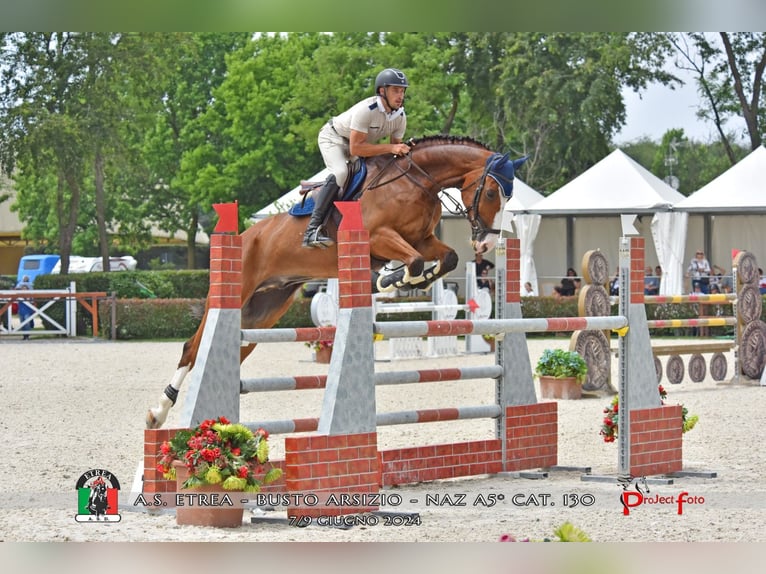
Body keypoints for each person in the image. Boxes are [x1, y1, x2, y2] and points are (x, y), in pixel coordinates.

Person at [303, 68, 411, 248]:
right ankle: (311, 231)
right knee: (341, 172)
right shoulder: (366, 110)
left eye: (402, 91)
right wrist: (392, 147)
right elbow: (356, 148)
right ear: (382, 91)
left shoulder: (400, 117)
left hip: (357, 144)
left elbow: (394, 153)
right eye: (395, 90)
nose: (400, 95)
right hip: (334, 138)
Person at [15, 276, 34, 340]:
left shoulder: (30, 293)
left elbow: (32, 301)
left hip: (27, 310)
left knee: (27, 323)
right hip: (21, 310)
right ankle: (24, 335)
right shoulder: (20, 294)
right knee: (22, 323)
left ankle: (27, 335)